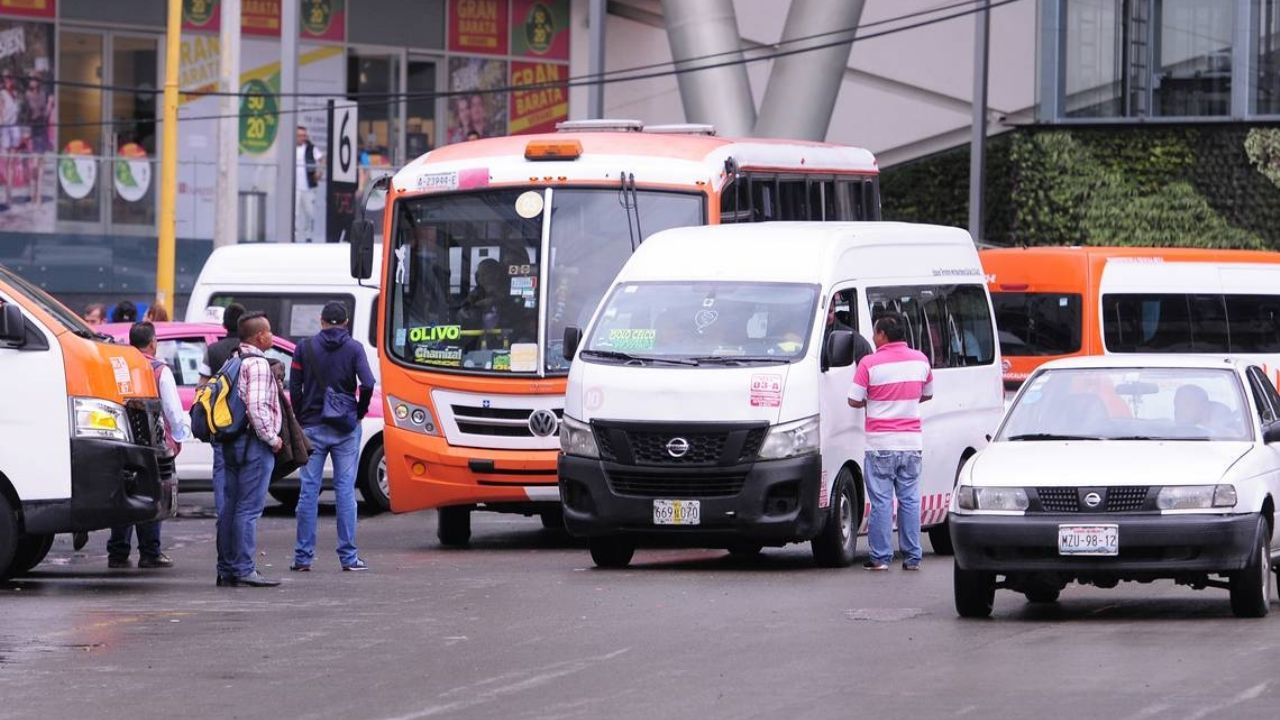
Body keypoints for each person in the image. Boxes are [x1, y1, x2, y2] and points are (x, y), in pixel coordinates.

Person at [289, 301, 375, 572]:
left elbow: (295, 387)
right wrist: (359, 412)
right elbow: (368, 383)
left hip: (312, 426)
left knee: (308, 491)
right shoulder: (355, 348)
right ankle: (349, 557)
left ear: (321, 320)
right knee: (345, 491)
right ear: (346, 322)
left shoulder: (304, 348)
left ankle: (303, 558)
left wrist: (301, 417)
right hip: (345, 428)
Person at [847, 313, 934, 572]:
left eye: (875, 333)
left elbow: (853, 399)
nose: (873, 337)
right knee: (910, 500)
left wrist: (874, 401)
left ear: (883, 335)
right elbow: (927, 394)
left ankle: (881, 558)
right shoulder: (921, 360)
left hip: (880, 444)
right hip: (911, 443)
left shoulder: (869, 363)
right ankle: (913, 557)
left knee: (882, 502)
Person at [107, 322, 192, 569]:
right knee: (154, 494)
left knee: (123, 494)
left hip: (121, 440)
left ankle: (118, 552)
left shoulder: (118, 367)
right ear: (153, 342)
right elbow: (172, 410)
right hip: (153, 444)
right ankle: (150, 552)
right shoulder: (159, 370)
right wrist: (177, 437)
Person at [217, 312, 284, 588]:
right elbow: (256, 407)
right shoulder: (257, 364)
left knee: (231, 507)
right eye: (269, 331)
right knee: (248, 509)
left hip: (232, 442)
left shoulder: (232, 360)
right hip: (253, 444)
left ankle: (226, 568)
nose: (272, 335)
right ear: (259, 336)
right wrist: (272, 438)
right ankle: (245, 568)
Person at [295, 125, 324, 243]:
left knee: (310, 212)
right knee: (295, 213)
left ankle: (309, 236)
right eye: (300, 135)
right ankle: (294, 236)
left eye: (304, 135)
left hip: (308, 186)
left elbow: (322, 159)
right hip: (295, 187)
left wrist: (319, 172)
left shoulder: (311, 148)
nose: (302, 138)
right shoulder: (290, 148)